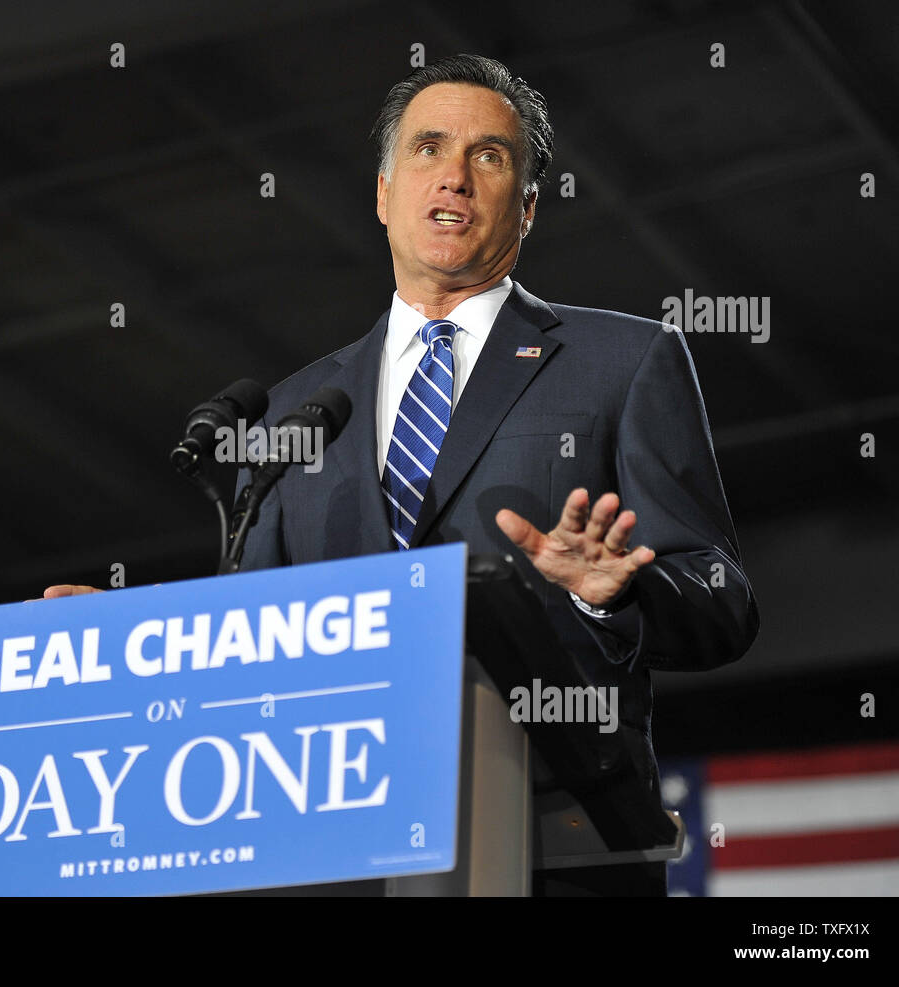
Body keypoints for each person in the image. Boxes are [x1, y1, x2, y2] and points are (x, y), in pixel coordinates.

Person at [46, 54, 759, 896]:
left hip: (551, 843)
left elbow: (722, 602)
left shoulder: (625, 360)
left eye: (488, 156)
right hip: (332, 851)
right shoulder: (289, 411)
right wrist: (136, 644)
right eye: (427, 148)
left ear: (527, 208)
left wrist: (611, 592)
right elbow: (251, 642)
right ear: (383, 194)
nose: (454, 175)